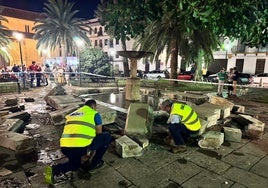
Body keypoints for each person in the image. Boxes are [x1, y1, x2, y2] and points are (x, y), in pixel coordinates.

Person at [45, 99, 111, 185]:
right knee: (106, 136)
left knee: (75, 165)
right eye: (96, 108)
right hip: (81, 148)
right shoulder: (94, 114)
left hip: (65, 147)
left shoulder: (72, 114)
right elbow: (99, 134)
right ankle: (94, 163)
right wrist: (90, 151)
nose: (96, 109)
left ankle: (54, 169)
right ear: (92, 106)